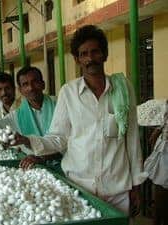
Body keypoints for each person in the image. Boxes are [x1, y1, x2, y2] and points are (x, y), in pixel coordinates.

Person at [12, 25, 146, 214]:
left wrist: (136, 185)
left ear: (105, 55)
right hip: (79, 190)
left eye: (95, 52)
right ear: (77, 59)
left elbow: (132, 139)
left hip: (118, 190)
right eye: (84, 54)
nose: (90, 59)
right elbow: (58, 138)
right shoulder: (69, 92)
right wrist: (27, 140)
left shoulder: (123, 90)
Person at [0, 66, 57, 152]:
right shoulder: (17, 115)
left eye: (35, 82)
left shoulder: (59, 103)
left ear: (43, 84)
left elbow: (63, 138)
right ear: (20, 90)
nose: (31, 88)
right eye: (25, 84)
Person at [145, 100, 168, 225]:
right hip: (163, 157)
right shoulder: (163, 119)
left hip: (162, 153)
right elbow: (152, 138)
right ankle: (157, 217)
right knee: (160, 191)